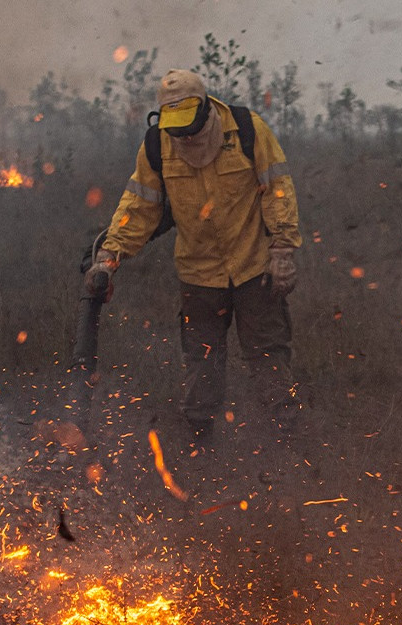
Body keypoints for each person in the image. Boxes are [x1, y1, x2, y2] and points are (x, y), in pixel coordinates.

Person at [85, 69, 302, 440]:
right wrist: (109, 256)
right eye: (176, 128)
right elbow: (138, 207)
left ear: (205, 109)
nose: (184, 135)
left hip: (254, 267)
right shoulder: (157, 147)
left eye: (189, 125)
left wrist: (282, 248)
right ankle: (200, 451)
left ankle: (289, 442)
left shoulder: (247, 130)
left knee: (269, 358)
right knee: (202, 365)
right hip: (199, 276)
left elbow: (277, 188)